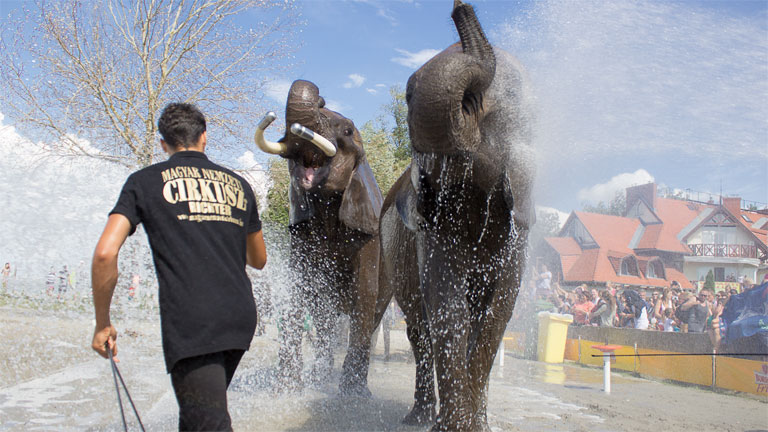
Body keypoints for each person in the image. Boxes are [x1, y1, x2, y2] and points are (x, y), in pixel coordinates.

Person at [90, 103, 267, 431]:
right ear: (204, 137)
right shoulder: (239, 185)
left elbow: (104, 253)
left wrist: (103, 323)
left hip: (193, 320)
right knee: (198, 417)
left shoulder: (143, 182)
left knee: (207, 422)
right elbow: (258, 260)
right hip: (240, 317)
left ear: (163, 144)